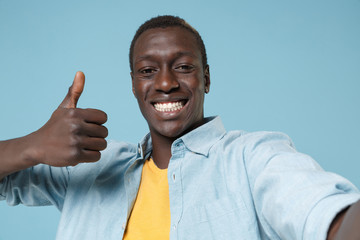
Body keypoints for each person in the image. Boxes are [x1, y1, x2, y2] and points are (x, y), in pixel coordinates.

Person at [0, 15, 359, 240]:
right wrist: (32, 145)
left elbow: (326, 216)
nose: (166, 83)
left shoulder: (253, 159)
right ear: (133, 85)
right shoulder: (92, 166)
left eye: (183, 67)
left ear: (206, 78)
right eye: (147, 70)